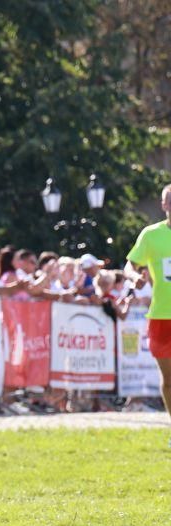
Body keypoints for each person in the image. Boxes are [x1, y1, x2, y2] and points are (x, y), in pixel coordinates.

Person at [125, 183, 171, 443]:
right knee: (168, 379)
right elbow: (130, 265)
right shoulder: (151, 235)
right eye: (170, 201)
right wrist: (134, 278)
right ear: (164, 205)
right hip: (161, 315)